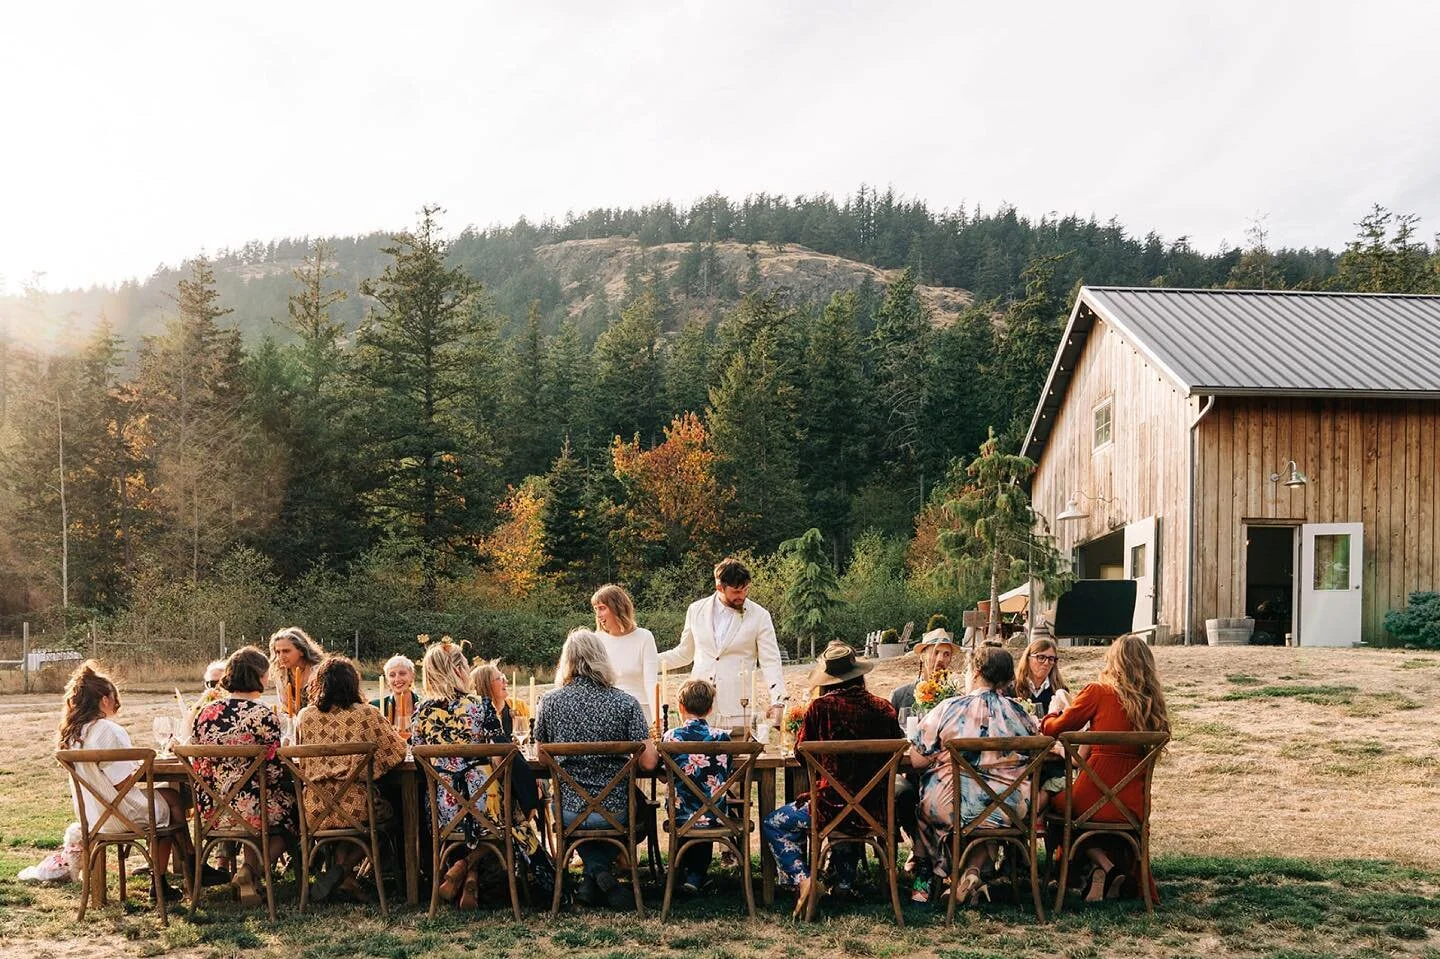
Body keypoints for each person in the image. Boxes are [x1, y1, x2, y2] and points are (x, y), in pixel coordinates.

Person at [760, 641, 902, 917]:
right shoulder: (884, 709)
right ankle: (844, 882)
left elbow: (803, 755)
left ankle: (804, 880)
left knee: (774, 823)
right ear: (859, 674)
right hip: (875, 809)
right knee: (853, 806)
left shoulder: (820, 709)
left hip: (830, 807)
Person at [906, 644, 1040, 905]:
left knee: (922, 807)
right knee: (984, 811)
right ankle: (973, 873)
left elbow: (917, 759)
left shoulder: (949, 708)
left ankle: (923, 884)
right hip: (1009, 809)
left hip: (953, 806)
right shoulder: (1020, 713)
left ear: (976, 671)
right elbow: (1035, 753)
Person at [534, 629, 658, 909]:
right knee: (639, 806)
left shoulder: (549, 703)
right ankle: (602, 874)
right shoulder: (626, 703)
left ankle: (594, 878)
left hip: (568, 811)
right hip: (615, 809)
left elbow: (541, 757)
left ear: (567, 661)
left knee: (583, 815)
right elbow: (649, 762)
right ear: (602, 659)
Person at [1041, 633, 1170, 903]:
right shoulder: (1152, 703)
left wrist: (1053, 711)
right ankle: (1103, 871)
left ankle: (1097, 870)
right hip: (1132, 801)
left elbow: (1054, 728)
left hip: (1094, 794)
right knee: (1076, 806)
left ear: (1114, 661)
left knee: (1057, 804)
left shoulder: (1098, 692)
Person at [58, 661, 191, 902]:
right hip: (120, 814)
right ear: (105, 699)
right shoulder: (108, 730)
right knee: (173, 799)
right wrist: (142, 769)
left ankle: (184, 868)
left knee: (168, 799)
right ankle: (174, 874)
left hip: (93, 817)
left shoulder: (73, 734)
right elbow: (122, 784)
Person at [190, 646, 297, 908]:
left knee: (256, 800)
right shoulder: (263, 715)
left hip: (214, 810)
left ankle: (248, 874)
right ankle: (250, 871)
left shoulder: (205, 713)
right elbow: (272, 771)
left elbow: (199, 763)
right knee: (294, 814)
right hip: (255, 806)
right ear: (260, 676)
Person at [294, 656, 406, 902]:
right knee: (391, 814)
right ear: (353, 683)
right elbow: (396, 752)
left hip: (315, 808)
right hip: (357, 806)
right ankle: (343, 873)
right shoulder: (366, 713)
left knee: (347, 813)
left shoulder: (305, 716)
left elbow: (302, 760)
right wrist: (369, 770)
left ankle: (342, 875)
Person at [410, 638, 509, 910]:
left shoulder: (422, 711)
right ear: (457, 671)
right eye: (464, 665)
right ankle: (468, 868)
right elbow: (499, 757)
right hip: (482, 798)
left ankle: (459, 869)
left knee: (461, 819)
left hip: (443, 802)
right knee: (514, 819)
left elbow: (418, 757)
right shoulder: (481, 706)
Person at [659, 558, 785, 728]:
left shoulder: (760, 616)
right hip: (697, 706)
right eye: (736, 591)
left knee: (739, 754)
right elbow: (684, 653)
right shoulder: (695, 610)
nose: (742, 596)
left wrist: (778, 700)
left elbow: (771, 661)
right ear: (719, 587)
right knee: (697, 755)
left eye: (745, 589)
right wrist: (648, 662)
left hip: (739, 705)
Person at [662, 678, 731, 895]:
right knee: (706, 807)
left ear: (680, 707)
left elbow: (665, 774)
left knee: (689, 807)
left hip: (680, 814)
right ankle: (696, 874)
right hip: (715, 814)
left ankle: (686, 871)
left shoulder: (671, 737)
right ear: (710, 709)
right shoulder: (721, 737)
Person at [591, 584, 659, 726]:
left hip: (641, 710)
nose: (598, 615)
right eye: (596, 609)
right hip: (609, 713)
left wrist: (657, 718)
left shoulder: (644, 637)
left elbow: (651, 682)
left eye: (602, 608)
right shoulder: (596, 639)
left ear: (618, 608)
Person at [890, 615, 957, 713]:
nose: (940, 659)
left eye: (946, 654)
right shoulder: (900, 697)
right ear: (922, 656)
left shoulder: (954, 699)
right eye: (935, 652)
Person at [270, 626, 324, 718]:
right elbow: (285, 708)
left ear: (301, 651)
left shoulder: (319, 673)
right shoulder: (281, 675)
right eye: (278, 652)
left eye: (286, 651)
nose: (281, 656)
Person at [470, 660, 530, 740]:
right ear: (486, 685)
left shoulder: (519, 706)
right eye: (499, 678)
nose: (506, 681)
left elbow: (527, 740)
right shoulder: (477, 715)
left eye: (503, 677)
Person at [1012, 637, 1071, 716]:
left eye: (1051, 659)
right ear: (1028, 658)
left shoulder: (1059, 691)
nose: (1046, 663)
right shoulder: (1012, 688)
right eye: (1041, 657)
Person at [370, 654, 419, 739]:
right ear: (387, 681)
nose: (397, 679)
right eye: (392, 675)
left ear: (412, 677)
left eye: (402, 673)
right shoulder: (375, 707)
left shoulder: (424, 705)